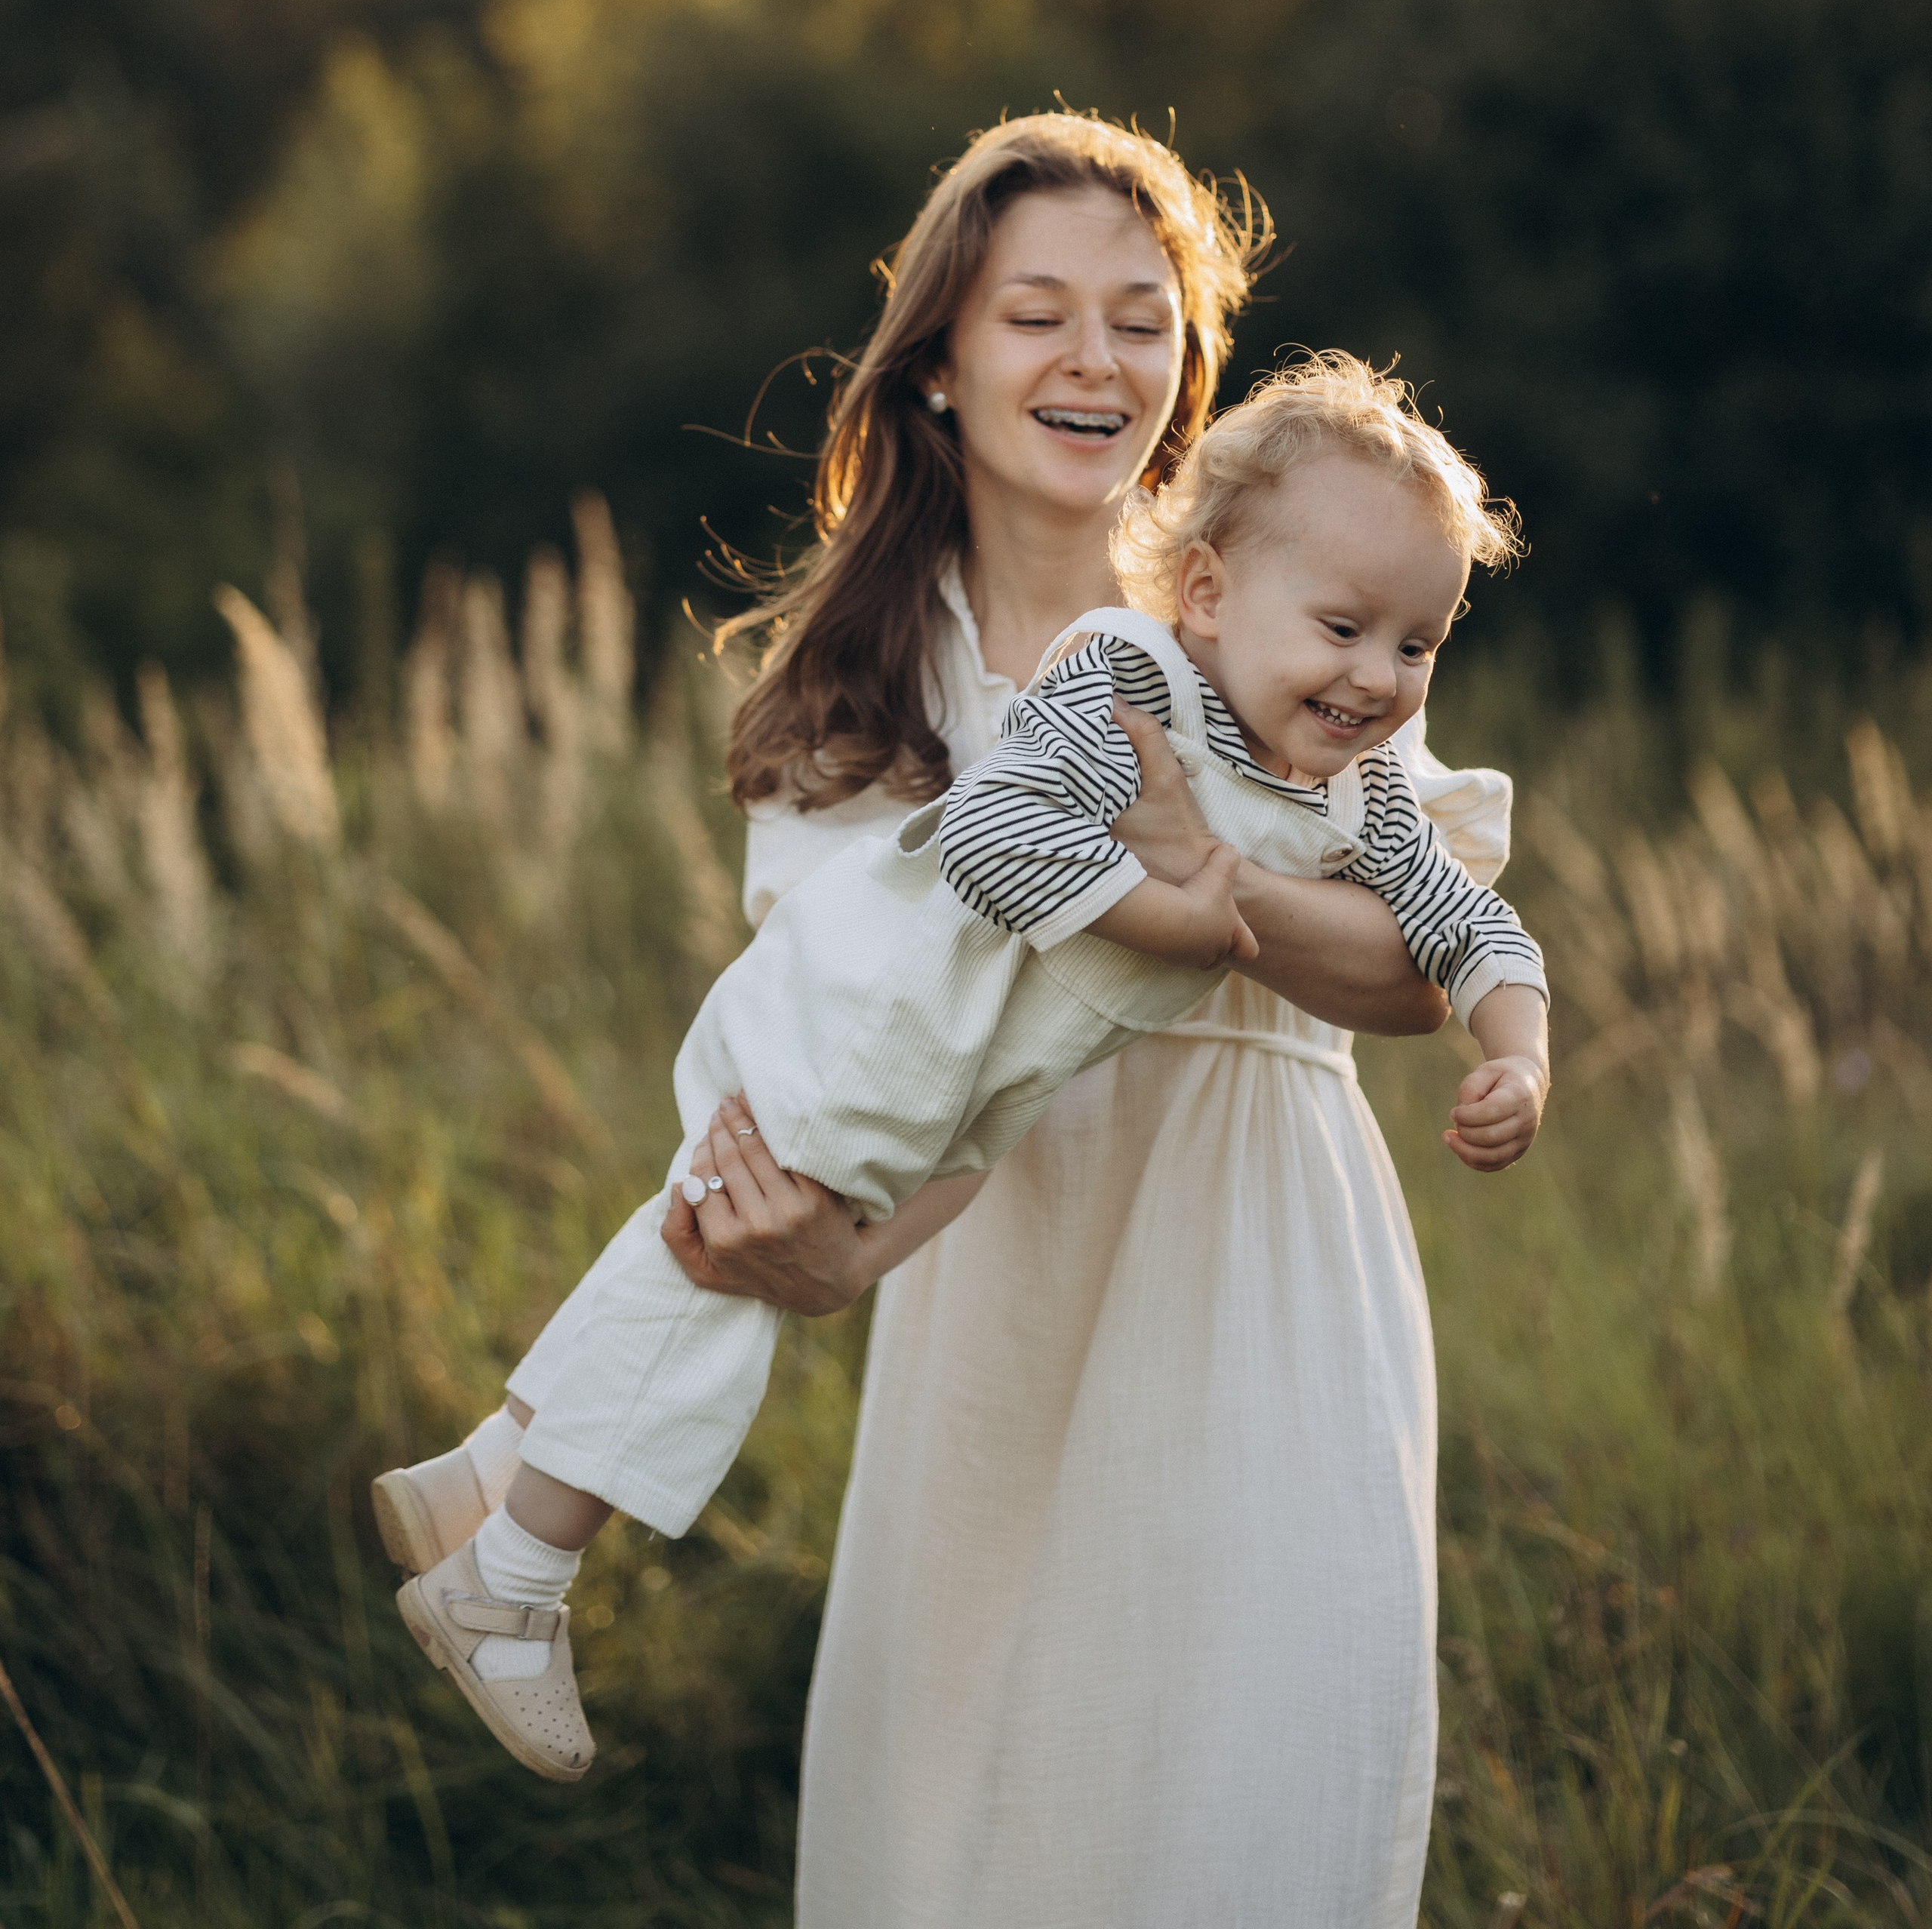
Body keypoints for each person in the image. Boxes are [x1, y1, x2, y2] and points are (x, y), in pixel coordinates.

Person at [377, 115, 1545, 1917]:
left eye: (1140, 320)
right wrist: (824, 1254)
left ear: (1184, 364)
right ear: (936, 357)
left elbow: (1410, 958)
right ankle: (519, 1500)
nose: (1095, 361)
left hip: (1256, 1256)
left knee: (1258, 1800)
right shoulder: (860, 679)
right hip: (988, 1287)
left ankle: (510, 1497)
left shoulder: (1275, 607)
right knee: (983, 1827)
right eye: (1036, 316)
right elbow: (847, 1042)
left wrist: (1210, 902)